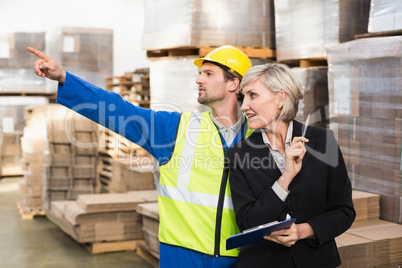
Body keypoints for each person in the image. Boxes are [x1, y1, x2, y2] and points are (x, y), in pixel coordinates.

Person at [28, 45, 253, 267]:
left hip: (237, 257)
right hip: (181, 255)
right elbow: (117, 110)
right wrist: (65, 78)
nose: (198, 80)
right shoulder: (176, 128)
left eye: (209, 74)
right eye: (200, 73)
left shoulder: (258, 137)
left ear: (234, 84)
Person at [226, 63, 355, 268]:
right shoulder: (239, 154)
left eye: (253, 95)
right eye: (243, 97)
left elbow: (344, 211)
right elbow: (247, 223)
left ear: (281, 98)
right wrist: (285, 178)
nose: (243, 106)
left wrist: (302, 231)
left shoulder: (323, 141)